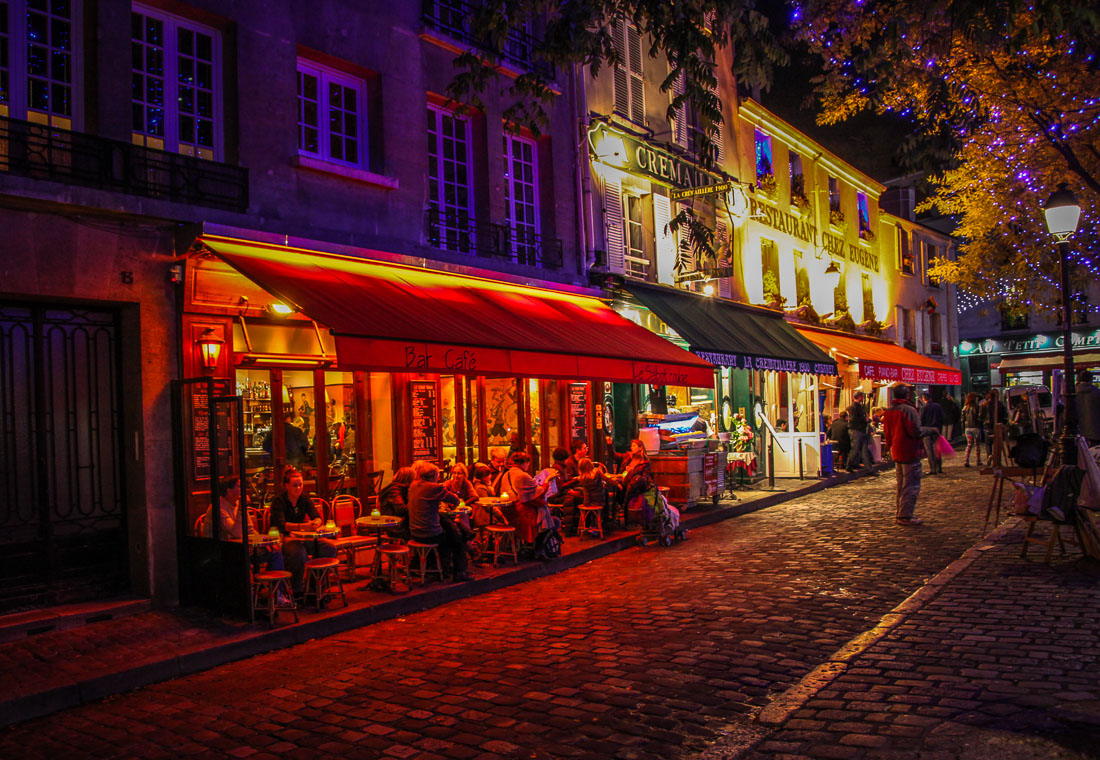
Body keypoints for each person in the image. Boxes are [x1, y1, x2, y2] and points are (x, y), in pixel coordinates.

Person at [269, 467, 337, 596]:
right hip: (284, 538)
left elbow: (316, 516)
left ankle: (315, 585)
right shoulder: (279, 501)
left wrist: (316, 522)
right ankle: (295, 590)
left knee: (329, 548)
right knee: (299, 553)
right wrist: (303, 526)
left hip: (303, 537)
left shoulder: (304, 498)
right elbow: (282, 526)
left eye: (300, 485)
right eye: (295, 485)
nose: (298, 488)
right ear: (286, 485)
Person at [408, 460, 471, 582]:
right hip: (430, 533)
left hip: (415, 531)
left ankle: (440, 567)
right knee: (457, 540)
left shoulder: (413, 486)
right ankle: (459, 572)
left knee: (447, 524)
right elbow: (455, 500)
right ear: (434, 475)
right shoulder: (434, 488)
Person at [883, 385, 926, 526]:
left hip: (896, 450)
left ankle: (900, 512)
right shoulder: (908, 410)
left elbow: (887, 432)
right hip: (909, 450)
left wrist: (890, 447)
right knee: (911, 484)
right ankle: (905, 515)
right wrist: (930, 430)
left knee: (901, 484)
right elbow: (915, 430)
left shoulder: (889, 411)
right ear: (907, 395)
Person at [497, 451, 548, 545]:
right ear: (525, 462)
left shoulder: (506, 474)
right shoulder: (523, 475)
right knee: (544, 513)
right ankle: (538, 545)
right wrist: (547, 482)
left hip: (508, 510)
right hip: (520, 512)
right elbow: (538, 492)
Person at [617, 438, 654, 524]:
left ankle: (625, 512)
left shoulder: (645, 462)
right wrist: (609, 444)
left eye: (634, 446)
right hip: (625, 481)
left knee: (631, 486)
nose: (631, 448)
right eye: (631, 446)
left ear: (640, 448)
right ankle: (621, 511)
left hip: (637, 486)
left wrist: (632, 471)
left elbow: (644, 477)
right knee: (618, 489)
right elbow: (614, 455)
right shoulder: (629, 457)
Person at [379, 467, 414, 541]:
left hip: (396, 525)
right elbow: (401, 510)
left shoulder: (397, 488)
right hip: (396, 527)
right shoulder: (394, 490)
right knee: (426, 532)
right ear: (409, 479)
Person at [846, 392, 875, 473]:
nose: (863, 398)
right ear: (859, 397)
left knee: (864, 449)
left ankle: (869, 469)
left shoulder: (859, 406)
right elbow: (853, 419)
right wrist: (864, 420)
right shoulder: (854, 407)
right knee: (855, 449)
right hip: (856, 430)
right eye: (862, 396)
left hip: (861, 430)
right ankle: (849, 465)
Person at [920, 391, 945, 475]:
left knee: (929, 451)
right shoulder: (938, 406)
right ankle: (939, 467)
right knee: (937, 449)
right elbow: (942, 417)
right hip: (937, 430)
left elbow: (921, 420)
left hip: (927, 431)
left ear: (924, 399)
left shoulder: (924, 408)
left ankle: (933, 468)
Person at [980, 389, 1008, 460]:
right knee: (998, 443)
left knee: (988, 443)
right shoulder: (1000, 405)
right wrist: (1004, 423)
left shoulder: (985, 405)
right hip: (998, 425)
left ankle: (989, 455)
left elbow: (981, 416)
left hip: (988, 426)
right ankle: (997, 458)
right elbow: (1005, 415)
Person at [1076, 370, 1100, 446]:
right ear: (1091, 379)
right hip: (1095, 431)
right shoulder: (1097, 393)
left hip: (1078, 432)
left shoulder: (1071, 394)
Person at [961, 392, 983, 467]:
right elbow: (979, 418)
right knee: (977, 445)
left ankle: (966, 460)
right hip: (976, 427)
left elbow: (962, 420)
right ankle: (978, 460)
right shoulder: (977, 407)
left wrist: (963, 429)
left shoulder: (965, 408)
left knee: (969, 445)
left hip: (967, 428)